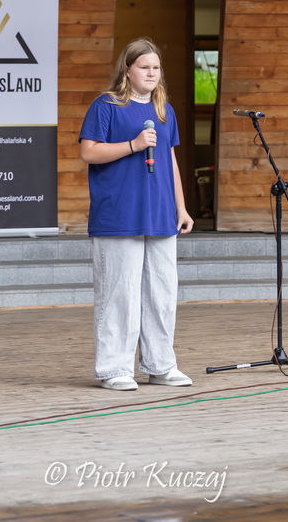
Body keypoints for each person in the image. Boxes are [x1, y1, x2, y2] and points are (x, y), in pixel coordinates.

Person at [78, 37, 193, 391]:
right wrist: (134, 145)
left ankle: (161, 365)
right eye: (144, 67)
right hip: (119, 214)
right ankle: (115, 369)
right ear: (127, 70)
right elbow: (89, 152)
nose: (151, 73)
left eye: (156, 67)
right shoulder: (106, 106)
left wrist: (181, 207)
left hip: (160, 214)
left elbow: (170, 160)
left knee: (162, 294)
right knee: (120, 294)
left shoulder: (164, 111)